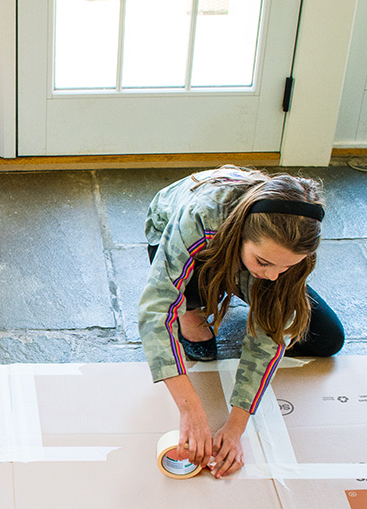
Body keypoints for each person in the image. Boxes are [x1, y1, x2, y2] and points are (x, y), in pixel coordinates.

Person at [138, 166, 344, 478]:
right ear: (242, 236)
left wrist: (236, 426)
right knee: (191, 292)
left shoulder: (286, 252)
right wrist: (191, 410)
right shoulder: (200, 217)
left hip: (240, 248)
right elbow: (156, 308)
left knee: (327, 338)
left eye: (287, 266)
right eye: (264, 262)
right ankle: (193, 312)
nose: (274, 276)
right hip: (179, 228)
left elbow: (271, 336)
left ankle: (240, 275)